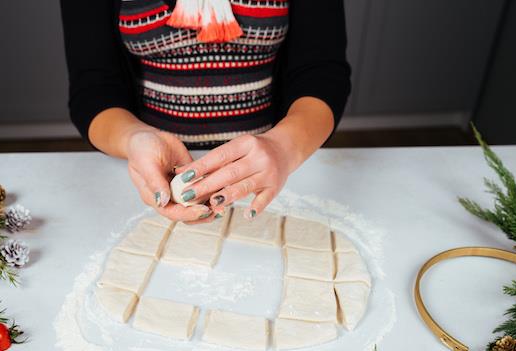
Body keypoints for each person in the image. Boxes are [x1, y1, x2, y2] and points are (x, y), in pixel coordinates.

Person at [60, 0, 350, 223]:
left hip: (273, 176)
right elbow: (94, 89)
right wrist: (134, 139)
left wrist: (282, 148)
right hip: (149, 180)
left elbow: (322, 73)